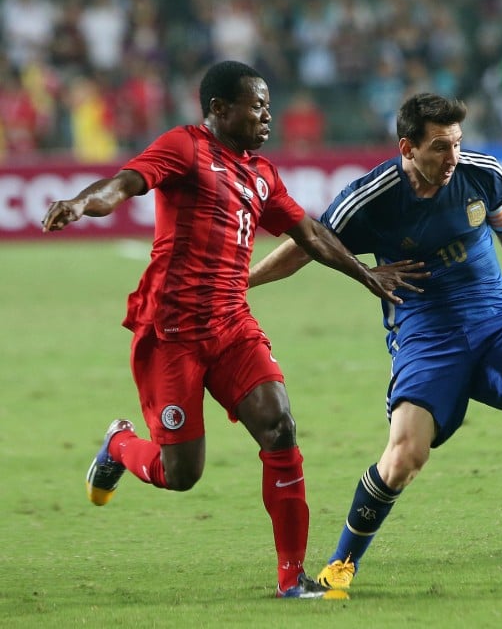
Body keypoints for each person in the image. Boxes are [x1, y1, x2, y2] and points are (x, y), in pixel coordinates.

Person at [41, 60, 427, 600]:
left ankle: (292, 580)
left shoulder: (262, 173)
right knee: (181, 474)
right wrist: (84, 202)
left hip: (231, 325)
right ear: (220, 109)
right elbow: (127, 182)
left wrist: (367, 274)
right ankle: (119, 445)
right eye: (257, 105)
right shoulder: (185, 147)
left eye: (269, 105)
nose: (268, 115)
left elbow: (309, 233)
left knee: (280, 427)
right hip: (172, 332)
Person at [248, 92, 502, 595]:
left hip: (491, 314)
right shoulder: (372, 196)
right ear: (408, 147)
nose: (453, 158)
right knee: (404, 457)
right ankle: (340, 565)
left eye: (457, 144)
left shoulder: (479, 174)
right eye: (440, 147)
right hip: (425, 333)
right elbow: (306, 245)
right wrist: (240, 282)